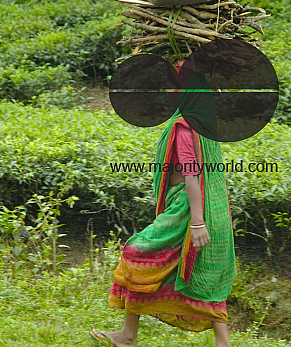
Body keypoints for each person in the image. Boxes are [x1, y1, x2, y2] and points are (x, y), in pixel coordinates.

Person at [90, 58, 236, 347]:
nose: (167, 92)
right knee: (204, 271)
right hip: (204, 207)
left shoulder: (184, 127)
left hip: (186, 210)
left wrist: (197, 223)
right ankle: (221, 344)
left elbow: (192, 175)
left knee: (136, 254)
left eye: (172, 87)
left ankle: (128, 337)